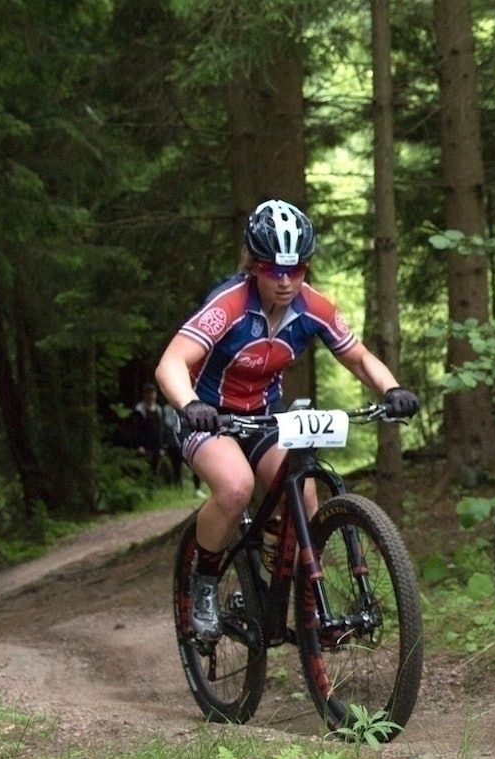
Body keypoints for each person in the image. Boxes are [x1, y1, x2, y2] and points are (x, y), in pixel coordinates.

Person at [156, 199, 420, 641]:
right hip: (209, 417)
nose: (284, 281)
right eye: (272, 270)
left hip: (263, 416)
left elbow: (357, 357)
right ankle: (203, 582)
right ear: (253, 266)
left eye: (295, 270)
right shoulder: (229, 304)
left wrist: (391, 389)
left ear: (306, 266)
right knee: (236, 487)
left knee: (306, 493)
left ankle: (297, 594)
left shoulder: (314, 306)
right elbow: (170, 364)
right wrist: (190, 406)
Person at [131, 383, 166, 479]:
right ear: (144, 395)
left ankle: (151, 489)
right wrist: (138, 445)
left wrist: (162, 446)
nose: (151, 395)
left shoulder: (159, 410)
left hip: (156, 445)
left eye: (152, 393)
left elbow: (161, 428)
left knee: (154, 469)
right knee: (141, 468)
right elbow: (135, 429)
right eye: (148, 393)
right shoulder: (139, 409)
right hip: (144, 444)